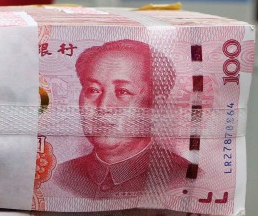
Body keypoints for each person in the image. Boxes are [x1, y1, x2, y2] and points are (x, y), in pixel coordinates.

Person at [52, 39, 192, 200]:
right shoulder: (61, 175)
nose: (103, 107)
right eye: (93, 90)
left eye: (123, 91)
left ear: (156, 105)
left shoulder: (185, 178)